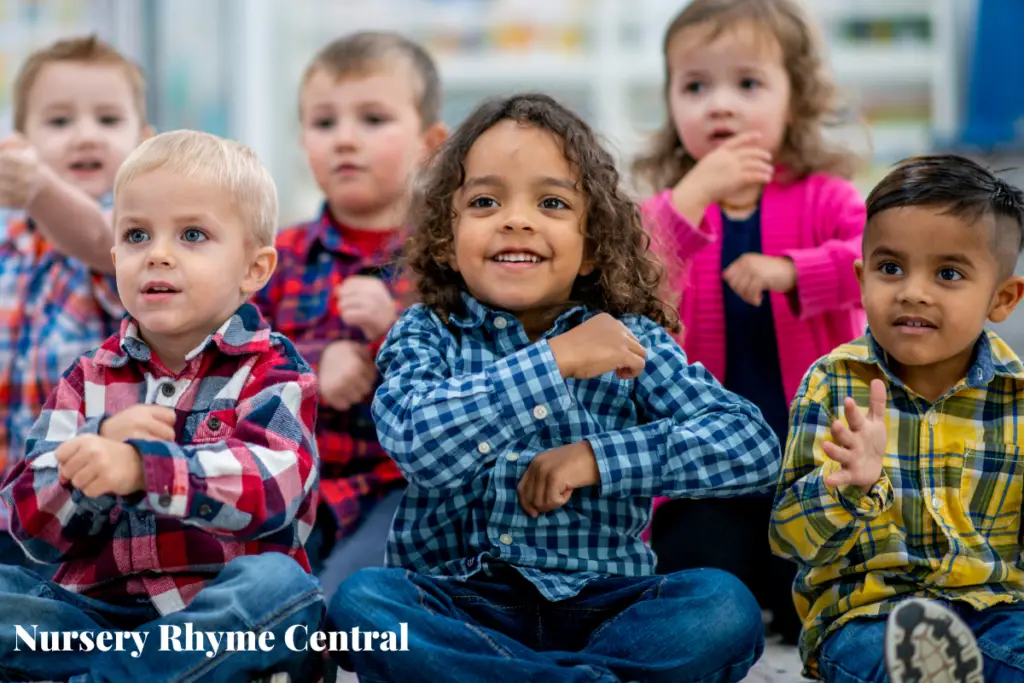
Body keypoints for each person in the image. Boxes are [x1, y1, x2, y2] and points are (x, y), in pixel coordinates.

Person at [329, 92, 780, 683]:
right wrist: (554, 361)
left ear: (592, 245)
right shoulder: (424, 333)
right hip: (463, 604)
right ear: (445, 238)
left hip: (606, 605)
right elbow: (420, 444)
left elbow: (751, 446)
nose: (518, 220)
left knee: (723, 605)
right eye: (486, 201)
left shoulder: (629, 338)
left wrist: (597, 458)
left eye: (551, 202)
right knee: (362, 605)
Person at [0, 130, 323, 682]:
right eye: (136, 235)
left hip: (211, 609)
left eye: (192, 234)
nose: (159, 254)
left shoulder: (274, 370)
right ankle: (139, 672)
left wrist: (143, 469)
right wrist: (92, 456)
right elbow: (25, 525)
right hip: (91, 618)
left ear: (254, 269)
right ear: (115, 255)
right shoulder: (88, 377)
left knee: (282, 590)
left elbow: (274, 488)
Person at [636, 0, 867, 642]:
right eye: (695, 86)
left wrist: (794, 269)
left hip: (814, 463)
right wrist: (692, 196)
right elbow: (629, 286)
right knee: (697, 596)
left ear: (795, 97)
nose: (720, 104)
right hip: (703, 473)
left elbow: (875, 262)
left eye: (748, 83)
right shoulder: (666, 207)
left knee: (821, 606)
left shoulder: (826, 196)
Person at [770, 155, 1024, 683]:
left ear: (1001, 298)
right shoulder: (833, 385)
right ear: (862, 279)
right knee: (880, 663)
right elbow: (788, 539)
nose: (912, 291)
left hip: (997, 608)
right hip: (867, 615)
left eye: (948, 273)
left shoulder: (1017, 397)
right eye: (891, 268)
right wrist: (847, 486)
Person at [253, 31, 446, 598]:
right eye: (324, 123)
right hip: (287, 484)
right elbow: (227, 359)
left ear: (431, 144)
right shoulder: (274, 256)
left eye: (372, 119)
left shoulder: (450, 260)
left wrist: (393, 327)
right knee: (257, 595)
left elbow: (473, 373)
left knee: (345, 600)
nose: (345, 140)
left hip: (402, 491)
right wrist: (311, 363)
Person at [0, 35, 154, 568]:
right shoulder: (7, 238)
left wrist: (39, 186)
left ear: (145, 142)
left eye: (108, 120)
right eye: (60, 122)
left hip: (99, 509)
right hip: (12, 503)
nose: (85, 135)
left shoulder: (141, 231)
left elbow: (98, 242)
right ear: (21, 142)